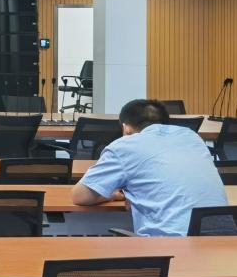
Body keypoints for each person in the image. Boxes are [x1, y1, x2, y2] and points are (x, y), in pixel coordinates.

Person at [71, 99, 227, 236]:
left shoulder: (125, 146)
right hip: (224, 241)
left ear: (126, 128)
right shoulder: (191, 137)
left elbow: (80, 196)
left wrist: (112, 196)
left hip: (172, 245)